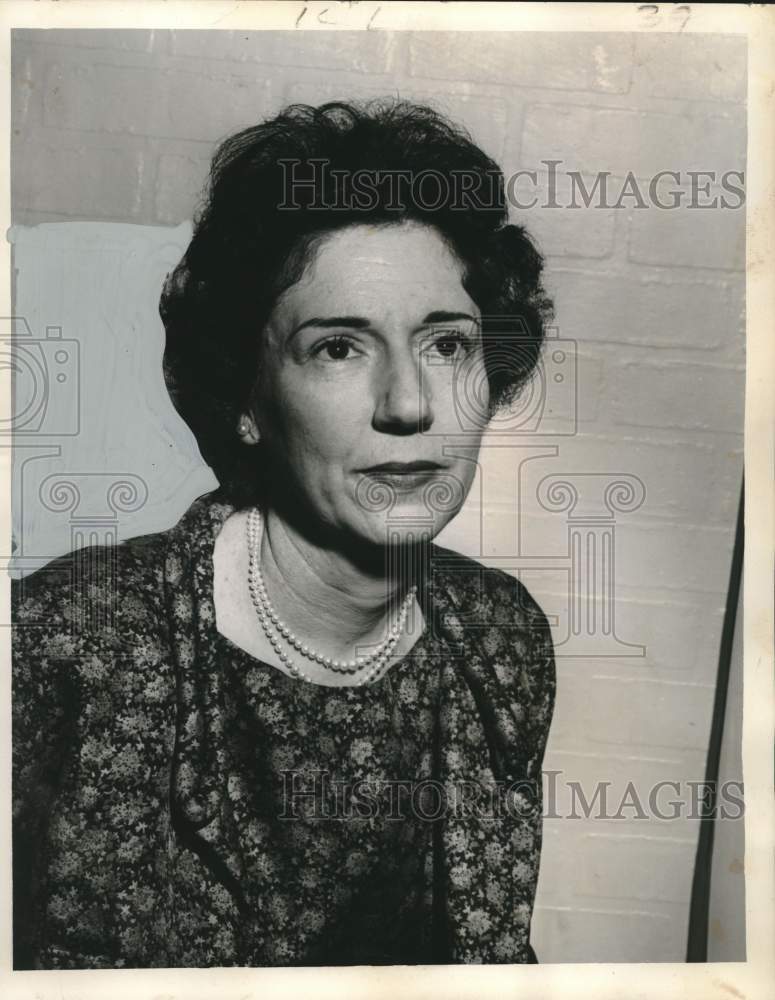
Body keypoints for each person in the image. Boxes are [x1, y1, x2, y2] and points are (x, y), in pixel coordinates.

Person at [12, 99, 556, 969]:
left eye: (447, 346)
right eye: (338, 347)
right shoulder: (64, 637)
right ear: (245, 396)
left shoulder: (501, 640)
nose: (409, 405)